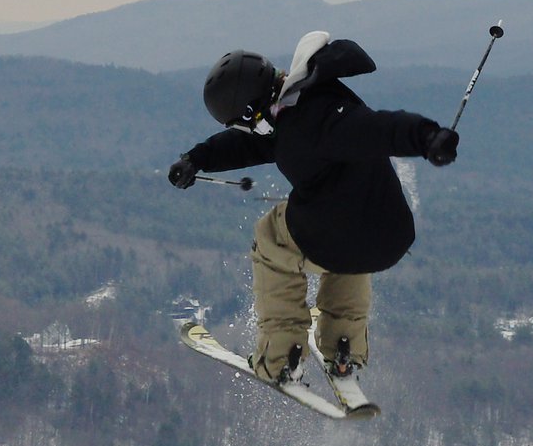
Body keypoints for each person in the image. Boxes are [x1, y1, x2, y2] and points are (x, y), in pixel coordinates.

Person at [168, 31, 460, 384]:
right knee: (342, 239)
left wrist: (426, 137)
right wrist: (197, 159)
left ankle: (281, 356)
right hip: (389, 236)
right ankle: (344, 348)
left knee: (271, 236)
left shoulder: (312, 123)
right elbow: (254, 145)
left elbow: (379, 128)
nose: (246, 129)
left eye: (241, 122)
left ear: (250, 109)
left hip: (343, 236)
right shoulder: (300, 106)